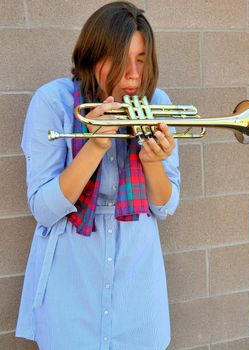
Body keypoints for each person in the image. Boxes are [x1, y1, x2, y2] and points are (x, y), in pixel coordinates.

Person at [15, 2, 180, 350]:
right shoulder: (53, 101)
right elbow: (44, 210)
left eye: (141, 58)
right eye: (121, 59)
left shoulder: (157, 101)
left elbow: (165, 205)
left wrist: (153, 161)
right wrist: (95, 146)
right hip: (71, 274)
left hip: (137, 275)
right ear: (92, 57)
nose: (133, 74)